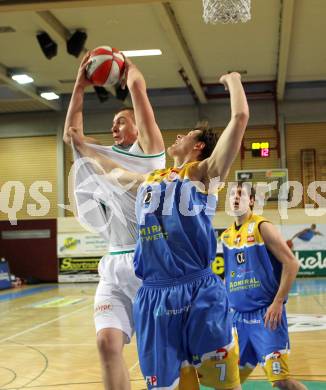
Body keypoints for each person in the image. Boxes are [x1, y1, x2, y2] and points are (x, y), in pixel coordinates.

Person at [68, 71, 249, 390]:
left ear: (199, 145)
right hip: (155, 293)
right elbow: (112, 171)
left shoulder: (205, 175)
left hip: (198, 288)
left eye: (186, 135)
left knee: (224, 385)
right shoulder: (151, 180)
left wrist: (232, 80)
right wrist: (82, 146)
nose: (177, 137)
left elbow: (240, 117)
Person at [63, 53, 165, 390]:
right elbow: (72, 134)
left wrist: (125, 66)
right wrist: (80, 84)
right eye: (113, 123)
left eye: (121, 120)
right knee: (106, 344)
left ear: (137, 126)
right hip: (114, 261)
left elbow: (139, 91)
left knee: (162, 357)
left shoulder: (151, 151)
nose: (114, 126)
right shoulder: (103, 156)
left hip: (151, 264)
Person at [221, 182, 308, 390]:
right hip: (237, 319)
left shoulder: (262, 226)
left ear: (251, 200)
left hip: (266, 316)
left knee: (281, 381)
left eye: (240, 194)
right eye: (231, 193)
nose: (235, 197)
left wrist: (278, 302)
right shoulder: (225, 236)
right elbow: (230, 276)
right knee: (228, 380)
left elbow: (291, 263)